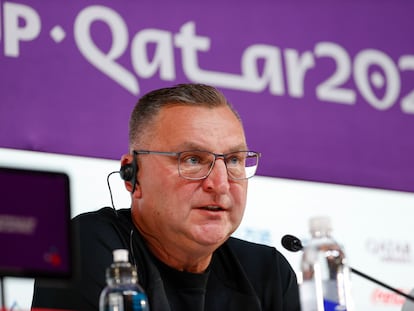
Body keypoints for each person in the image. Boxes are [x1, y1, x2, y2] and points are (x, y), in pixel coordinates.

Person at [32, 83, 300, 310]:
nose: (220, 184)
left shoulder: (268, 272)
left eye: (233, 160)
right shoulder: (85, 246)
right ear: (134, 175)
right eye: (193, 159)